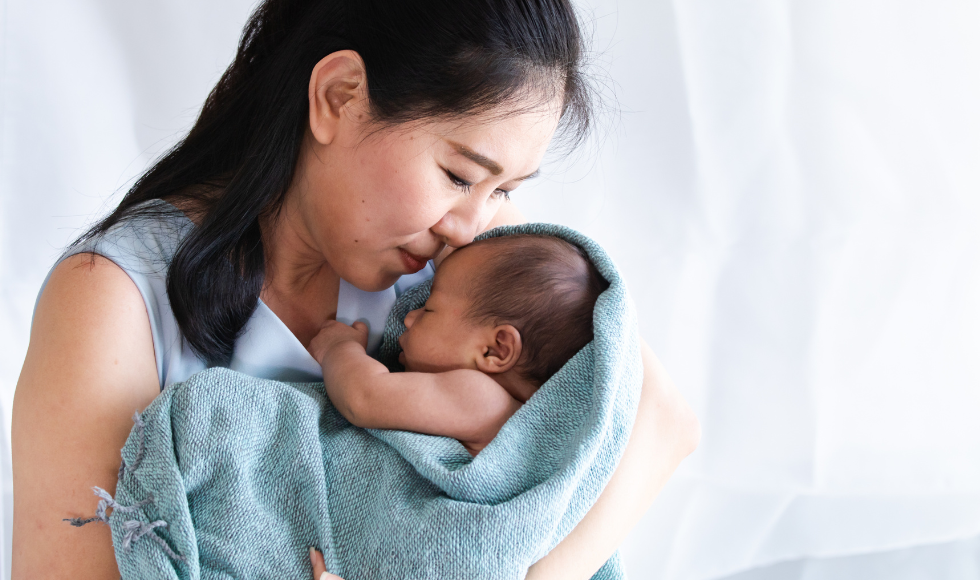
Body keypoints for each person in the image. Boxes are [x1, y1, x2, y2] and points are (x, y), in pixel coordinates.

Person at [11, 1, 700, 579]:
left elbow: (660, 418)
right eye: (460, 175)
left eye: (505, 191)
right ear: (337, 96)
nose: (471, 225)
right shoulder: (115, 299)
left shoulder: (462, 265)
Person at [312, 234, 608, 456]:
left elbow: (363, 398)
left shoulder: (484, 401)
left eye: (429, 310)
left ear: (495, 351)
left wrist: (339, 348)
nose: (409, 318)